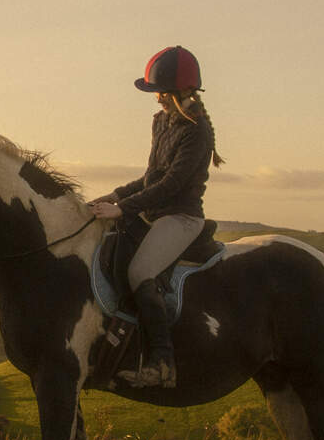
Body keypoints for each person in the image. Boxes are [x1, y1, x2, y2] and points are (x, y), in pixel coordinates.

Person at [86, 45, 225, 389]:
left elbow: (172, 184)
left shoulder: (198, 131)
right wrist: (116, 195)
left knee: (140, 271)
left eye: (160, 92)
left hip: (180, 218)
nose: (157, 99)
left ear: (181, 92)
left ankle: (162, 364)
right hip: (152, 213)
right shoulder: (161, 122)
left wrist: (124, 208)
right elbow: (151, 177)